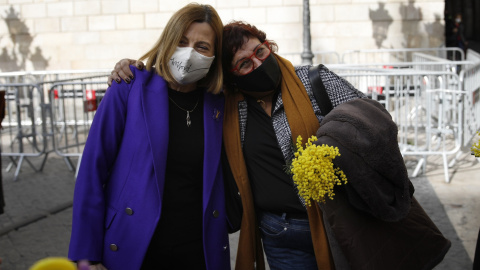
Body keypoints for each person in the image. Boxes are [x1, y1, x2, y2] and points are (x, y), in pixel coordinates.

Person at [109, 21, 450, 270]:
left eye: (260, 51)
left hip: (340, 224)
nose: (257, 63)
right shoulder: (228, 104)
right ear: (232, 76)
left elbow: (375, 119)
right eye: (244, 63)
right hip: (278, 234)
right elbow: (178, 82)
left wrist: (333, 146)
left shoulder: (314, 79)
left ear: (268, 45)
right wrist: (132, 67)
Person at [68, 3, 231, 270]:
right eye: (181, 41)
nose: (189, 52)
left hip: (198, 249)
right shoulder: (129, 88)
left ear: (214, 56)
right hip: (133, 246)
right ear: (168, 42)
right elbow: (92, 170)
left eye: (202, 46)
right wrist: (86, 255)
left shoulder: (219, 103)